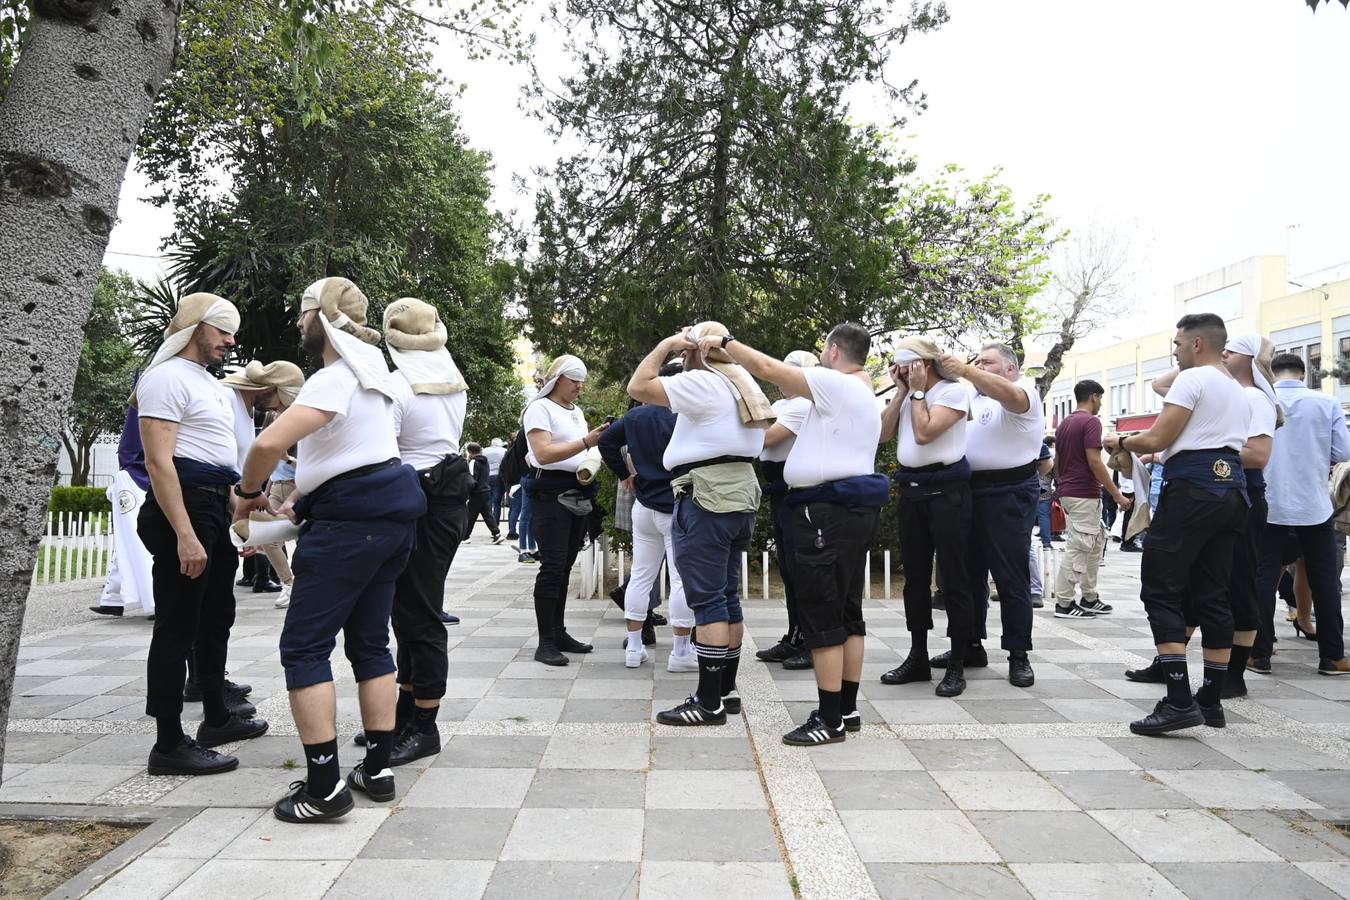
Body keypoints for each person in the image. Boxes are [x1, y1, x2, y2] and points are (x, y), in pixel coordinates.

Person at [234, 277, 426, 822]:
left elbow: (267, 444)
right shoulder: (380, 377)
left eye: (302, 314)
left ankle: (323, 788)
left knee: (304, 648)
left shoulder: (333, 378)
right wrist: (302, 499)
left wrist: (248, 499)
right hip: (390, 517)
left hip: (350, 526)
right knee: (370, 645)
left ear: (319, 317)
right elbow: (357, 451)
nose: (297, 323)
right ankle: (379, 769)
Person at [706, 324, 886, 745]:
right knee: (847, 613)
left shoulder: (835, 383)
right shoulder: (861, 393)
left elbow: (769, 369)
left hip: (825, 512)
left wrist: (726, 344)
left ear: (834, 350)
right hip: (849, 510)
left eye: (824, 350)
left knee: (822, 614)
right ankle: (847, 708)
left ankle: (829, 719)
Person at [135, 293, 269, 777]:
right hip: (185, 507)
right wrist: (185, 534)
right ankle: (168, 743)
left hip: (212, 503)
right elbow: (158, 462)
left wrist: (238, 514)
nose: (230, 342)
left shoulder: (207, 383)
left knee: (216, 617)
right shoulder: (165, 377)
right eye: (223, 331)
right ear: (195, 328)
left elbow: (218, 461)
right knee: (177, 625)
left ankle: (215, 718)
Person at [1103, 313, 1249, 734]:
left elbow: (1158, 438)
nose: (1175, 349)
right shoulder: (1238, 391)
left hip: (1194, 487)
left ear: (1197, 344)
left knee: (1161, 589)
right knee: (1213, 593)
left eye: (1178, 343)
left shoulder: (1193, 379)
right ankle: (1211, 699)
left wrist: (1121, 442)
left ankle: (1179, 700)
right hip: (1232, 487)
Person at [629, 323, 770, 725]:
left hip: (706, 496)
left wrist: (668, 343)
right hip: (739, 492)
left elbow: (639, 386)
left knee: (707, 601)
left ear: (698, 350)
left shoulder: (705, 382)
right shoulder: (740, 385)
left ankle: (708, 704)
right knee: (727, 597)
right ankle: (725, 690)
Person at [1125, 333, 1280, 697]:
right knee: (1202, 587)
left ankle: (1226, 678)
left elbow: (1257, 455)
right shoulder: (1219, 388)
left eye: (1231, 350)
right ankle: (1194, 684)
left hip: (1220, 490)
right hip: (1222, 491)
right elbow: (1162, 384)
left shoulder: (1252, 396)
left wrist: (1199, 455)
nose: (1224, 355)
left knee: (1229, 586)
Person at [371, 296, 474, 765]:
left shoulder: (397, 385)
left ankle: (424, 725)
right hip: (447, 498)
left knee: (420, 615)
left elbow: (384, 452)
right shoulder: (454, 383)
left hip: (417, 500)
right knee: (411, 611)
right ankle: (406, 712)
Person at [936, 343, 1045, 689]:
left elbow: (1010, 397)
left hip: (1009, 490)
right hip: (969, 489)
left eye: (988, 363)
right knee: (967, 576)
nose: (979, 366)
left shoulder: (1023, 390)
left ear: (1009, 369)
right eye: (977, 361)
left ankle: (1018, 653)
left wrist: (966, 370)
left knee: (1011, 575)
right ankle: (969, 643)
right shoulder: (972, 396)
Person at [877, 337, 975, 698]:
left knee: (953, 578)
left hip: (948, 494)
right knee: (915, 578)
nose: (898, 371)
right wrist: (902, 394)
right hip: (913, 492)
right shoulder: (908, 395)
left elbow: (925, 433)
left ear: (923, 364)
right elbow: (884, 433)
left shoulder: (953, 392)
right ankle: (917, 654)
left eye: (904, 365)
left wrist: (917, 394)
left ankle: (957, 663)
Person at [1252, 352, 1350, 676]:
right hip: (1314, 505)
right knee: (1325, 581)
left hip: (1270, 504)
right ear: (1304, 374)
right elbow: (1343, 453)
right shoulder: (1327, 402)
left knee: (1263, 579)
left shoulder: (1260, 400)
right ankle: (1333, 657)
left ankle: (1260, 653)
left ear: (1272, 373)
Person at [597, 365, 693, 670]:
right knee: (679, 578)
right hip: (675, 505)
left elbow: (605, 443)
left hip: (644, 505)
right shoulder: (683, 415)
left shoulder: (636, 416)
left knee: (640, 575)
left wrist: (625, 474)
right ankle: (680, 651)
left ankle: (634, 648)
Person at [523, 355, 608, 665]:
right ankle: (545, 641)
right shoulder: (539, 408)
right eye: (575, 379)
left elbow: (577, 450)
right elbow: (543, 454)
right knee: (552, 566)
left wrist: (593, 448)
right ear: (558, 379)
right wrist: (587, 441)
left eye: (582, 380)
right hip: (549, 494)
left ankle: (558, 631)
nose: (580, 385)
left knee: (565, 566)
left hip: (577, 491)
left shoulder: (577, 411)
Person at [754, 350, 819, 672]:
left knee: (802, 570)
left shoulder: (802, 405)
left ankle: (810, 640)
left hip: (795, 491)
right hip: (779, 491)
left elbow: (764, 439)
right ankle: (795, 634)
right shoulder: (782, 405)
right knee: (790, 570)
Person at [221, 362, 306, 603]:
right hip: (273, 487)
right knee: (267, 536)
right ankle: (288, 583)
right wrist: (257, 491)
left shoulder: (301, 417)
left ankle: (296, 584)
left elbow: (266, 449)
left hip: (297, 487)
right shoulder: (266, 414)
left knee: (301, 540)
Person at [1052, 380, 1131, 618]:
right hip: (1083, 492)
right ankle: (1064, 603)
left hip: (1070, 490)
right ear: (1094, 397)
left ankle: (1089, 596)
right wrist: (1117, 494)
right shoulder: (1090, 422)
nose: (1100, 405)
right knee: (1079, 546)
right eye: (1100, 399)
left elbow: (1057, 460)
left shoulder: (1065, 423)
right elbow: (1094, 461)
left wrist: (1060, 484)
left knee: (1095, 543)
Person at [91, 396, 155, 617]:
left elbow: (131, 446)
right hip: (139, 478)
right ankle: (113, 598)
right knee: (126, 543)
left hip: (138, 479)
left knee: (137, 542)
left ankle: (154, 599)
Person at [464, 443, 504, 544]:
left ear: (470, 452)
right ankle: (497, 534)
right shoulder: (485, 461)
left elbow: (472, 478)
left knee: (470, 515)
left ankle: (465, 537)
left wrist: (468, 492)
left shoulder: (473, 462)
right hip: (486, 490)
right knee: (487, 514)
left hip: (476, 492)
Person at [1036, 436, 1057, 548]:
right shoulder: (1053, 454)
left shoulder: (1033, 448)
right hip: (1045, 489)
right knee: (1044, 516)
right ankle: (1046, 543)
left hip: (1030, 486)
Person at [484, 437, 508, 525]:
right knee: (497, 502)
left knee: (488, 501)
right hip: (498, 476)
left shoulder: (485, 451)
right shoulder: (504, 451)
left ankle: (490, 523)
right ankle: (495, 523)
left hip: (487, 476)